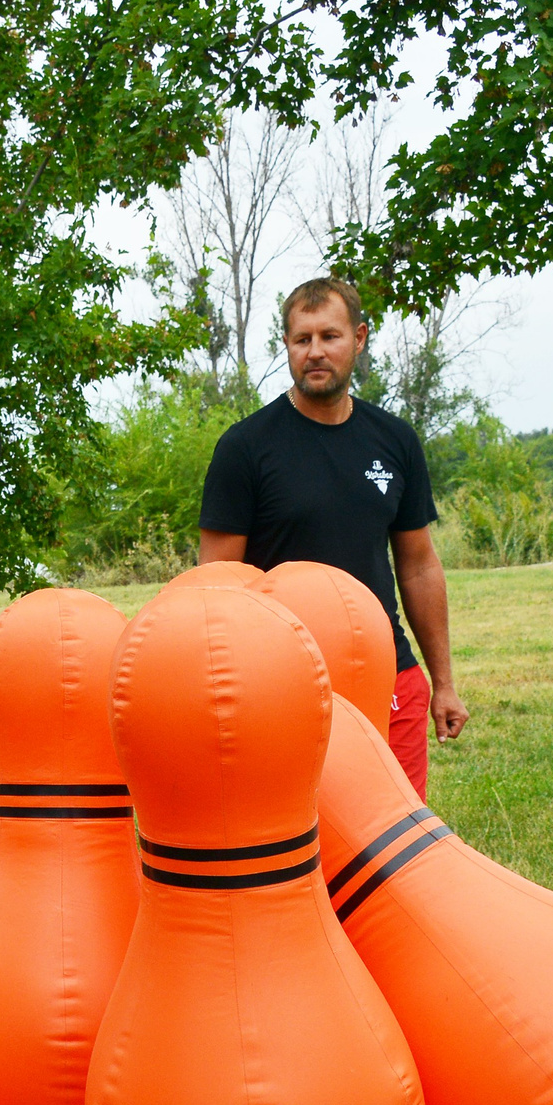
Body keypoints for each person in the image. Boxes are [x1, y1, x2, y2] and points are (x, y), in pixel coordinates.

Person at [197, 276, 471, 794]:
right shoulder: (246, 448)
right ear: (287, 346)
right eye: (302, 340)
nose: (316, 352)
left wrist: (444, 684)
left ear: (360, 338)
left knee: (399, 843)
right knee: (306, 846)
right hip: (283, 684)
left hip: (389, 676)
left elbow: (417, 565)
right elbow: (215, 590)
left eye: (330, 336)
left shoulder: (394, 440)